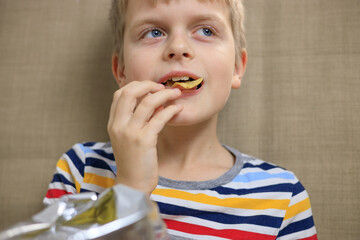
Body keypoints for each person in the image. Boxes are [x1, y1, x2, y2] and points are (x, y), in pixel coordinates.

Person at [44, 0, 317, 239]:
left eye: (206, 31)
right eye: (153, 32)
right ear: (122, 71)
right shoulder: (81, 170)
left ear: (237, 67)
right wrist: (130, 189)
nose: (178, 47)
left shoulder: (281, 196)